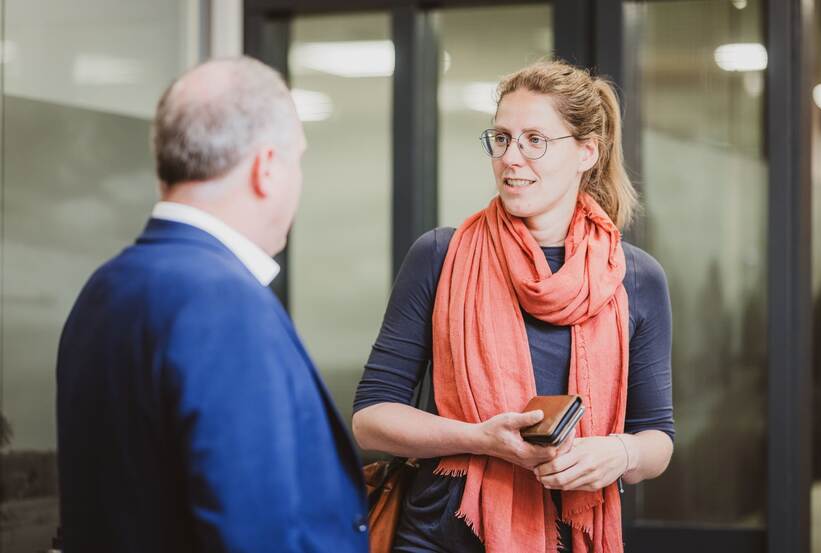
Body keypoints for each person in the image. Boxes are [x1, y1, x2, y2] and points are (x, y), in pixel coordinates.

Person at [352, 59, 674, 553]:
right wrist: (482, 438)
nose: (511, 157)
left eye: (534, 140)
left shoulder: (635, 277)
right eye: (501, 138)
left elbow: (658, 439)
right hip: (438, 534)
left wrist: (618, 451)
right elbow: (371, 417)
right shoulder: (440, 255)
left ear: (587, 151)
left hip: (572, 534)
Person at [56, 57, 368, 553]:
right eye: (297, 160)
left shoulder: (105, 288)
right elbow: (253, 532)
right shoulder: (225, 306)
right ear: (267, 168)